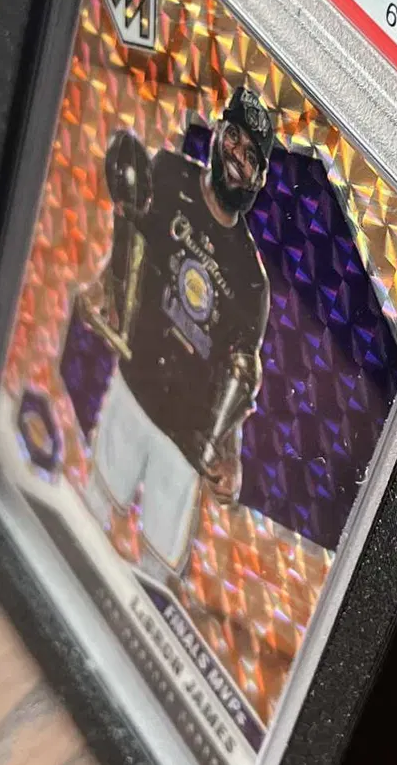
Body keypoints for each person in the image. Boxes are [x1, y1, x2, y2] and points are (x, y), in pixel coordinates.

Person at [78, 86, 275, 579]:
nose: (238, 157)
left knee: (157, 570)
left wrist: (229, 457)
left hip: (186, 437)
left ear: (259, 178)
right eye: (234, 139)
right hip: (134, 385)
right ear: (218, 131)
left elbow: (239, 377)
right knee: (90, 510)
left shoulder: (251, 281)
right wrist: (103, 288)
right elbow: (128, 240)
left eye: (251, 156)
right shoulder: (167, 173)